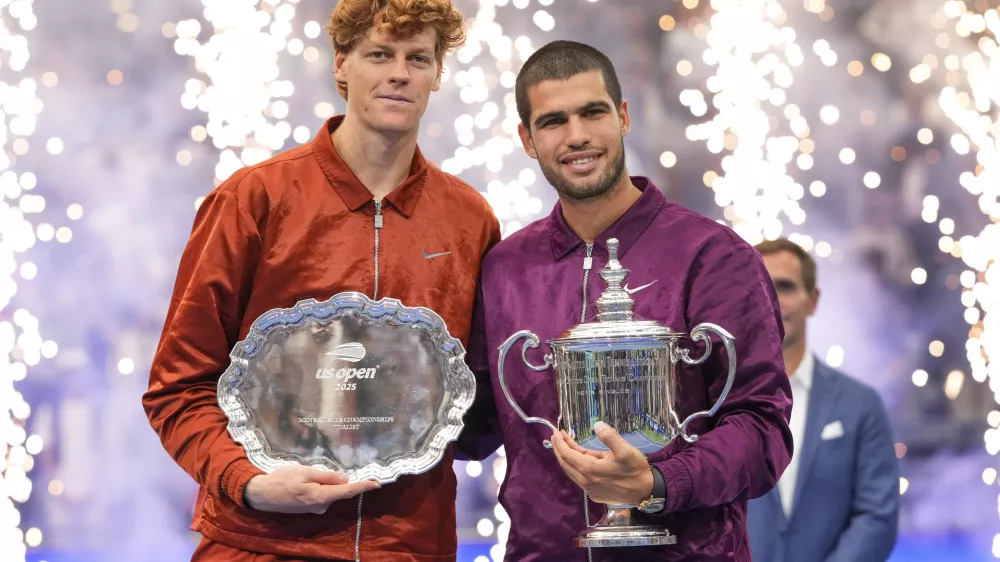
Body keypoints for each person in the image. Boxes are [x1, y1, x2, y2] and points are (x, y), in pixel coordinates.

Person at [142, 1, 501, 561]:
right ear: (341, 64)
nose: (399, 73)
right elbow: (177, 386)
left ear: (436, 73)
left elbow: (476, 401)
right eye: (380, 54)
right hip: (261, 542)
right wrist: (248, 482)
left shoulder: (470, 218)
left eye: (419, 58)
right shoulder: (253, 199)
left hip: (407, 546)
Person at [458, 40, 793, 561]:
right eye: (553, 121)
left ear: (623, 117)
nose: (577, 137)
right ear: (526, 139)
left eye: (592, 113)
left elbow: (762, 428)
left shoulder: (712, 255)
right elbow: (477, 426)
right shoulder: (505, 267)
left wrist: (658, 483)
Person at [746, 238, 900, 562]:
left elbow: (877, 517)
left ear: (813, 300)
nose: (773, 299)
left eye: (785, 287)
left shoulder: (860, 405)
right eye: (761, 286)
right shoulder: (713, 403)